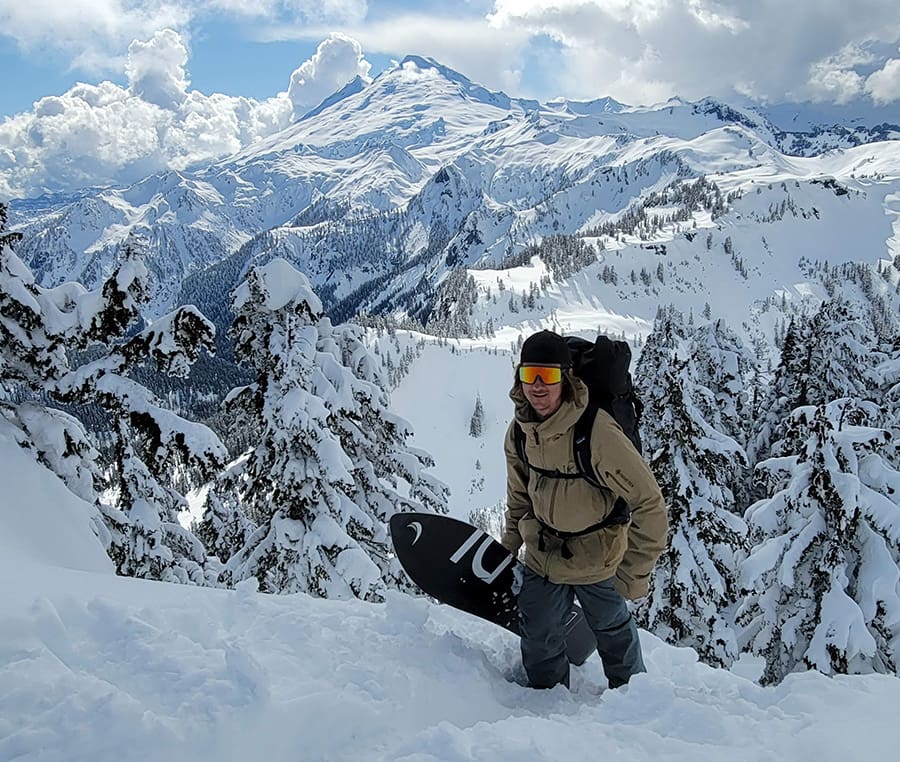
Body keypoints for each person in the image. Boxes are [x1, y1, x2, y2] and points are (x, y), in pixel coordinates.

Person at [502, 329, 668, 690]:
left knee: (613, 633)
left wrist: (632, 573)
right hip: (544, 555)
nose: (538, 386)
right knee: (538, 634)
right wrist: (508, 548)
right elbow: (519, 497)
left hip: (598, 556)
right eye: (530, 374)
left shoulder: (596, 432)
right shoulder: (520, 432)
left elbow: (650, 503)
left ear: (566, 378)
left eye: (548, 376)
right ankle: (546, 703)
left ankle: (634, 701)